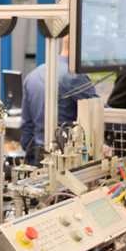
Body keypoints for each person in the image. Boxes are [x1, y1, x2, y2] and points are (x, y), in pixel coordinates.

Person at [20, 36, 98, 165]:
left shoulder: (33, 75)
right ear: (81, 49)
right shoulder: (76, 77)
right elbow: (98, 114)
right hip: (65, 160)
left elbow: (27, 129)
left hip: (37, 157)